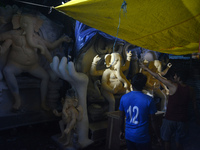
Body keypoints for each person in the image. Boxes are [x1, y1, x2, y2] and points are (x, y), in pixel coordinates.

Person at [140, 63, 200, 150]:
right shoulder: (191, 90)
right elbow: (195, 107)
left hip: (170, 119)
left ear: (178, 77)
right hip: (183, 120)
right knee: (179, 142)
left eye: (175, 76)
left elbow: (158, 76)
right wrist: (198, 118)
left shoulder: (173, 86)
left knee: (166, 141)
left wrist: (146, 68)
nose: (174, 77)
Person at [119, 73, 162, 150]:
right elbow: (153, 120)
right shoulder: (148, 100)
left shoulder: (124, 98)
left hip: (129, 135)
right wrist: (158, 136)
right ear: (144, 85)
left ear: (131, 84)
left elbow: (121, 117)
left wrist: (121, 131)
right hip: (143, 136)